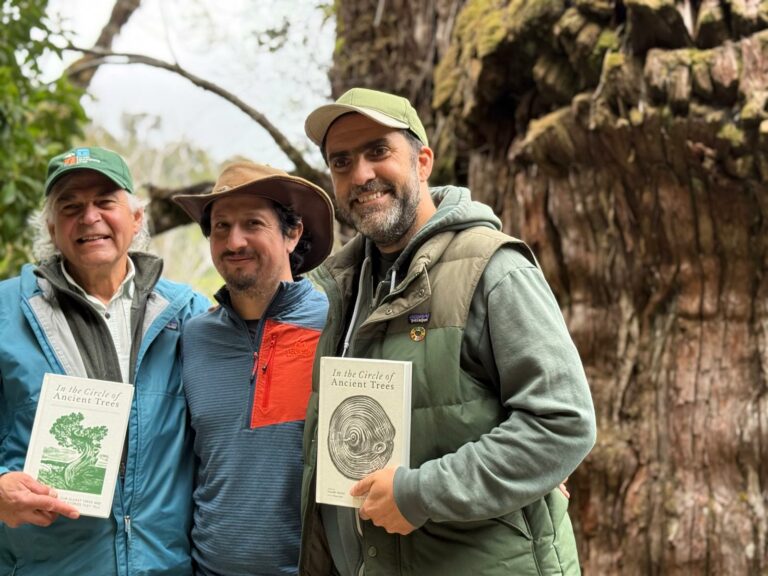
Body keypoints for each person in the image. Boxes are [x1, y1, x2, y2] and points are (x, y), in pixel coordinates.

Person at [299, 88, 597, 575]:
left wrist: (421, 494)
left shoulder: (494, 268)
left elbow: (562, 423)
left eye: (378, 152)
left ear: (423, 161)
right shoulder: (344, 288)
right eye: (342, 161)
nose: (361, 175)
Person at [0, 146, 211, 575]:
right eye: (71, 206)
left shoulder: (190, 314)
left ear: (136, 219)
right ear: (52, 228)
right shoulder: (5, 311)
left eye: (104, 202)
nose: (89, 216)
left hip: (164, 566)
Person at [172, 161, 335, 576]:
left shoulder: (337, 327)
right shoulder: (193, 338)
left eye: (253, 223)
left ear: (292, 233)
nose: (235, 240)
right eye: (221, 227)